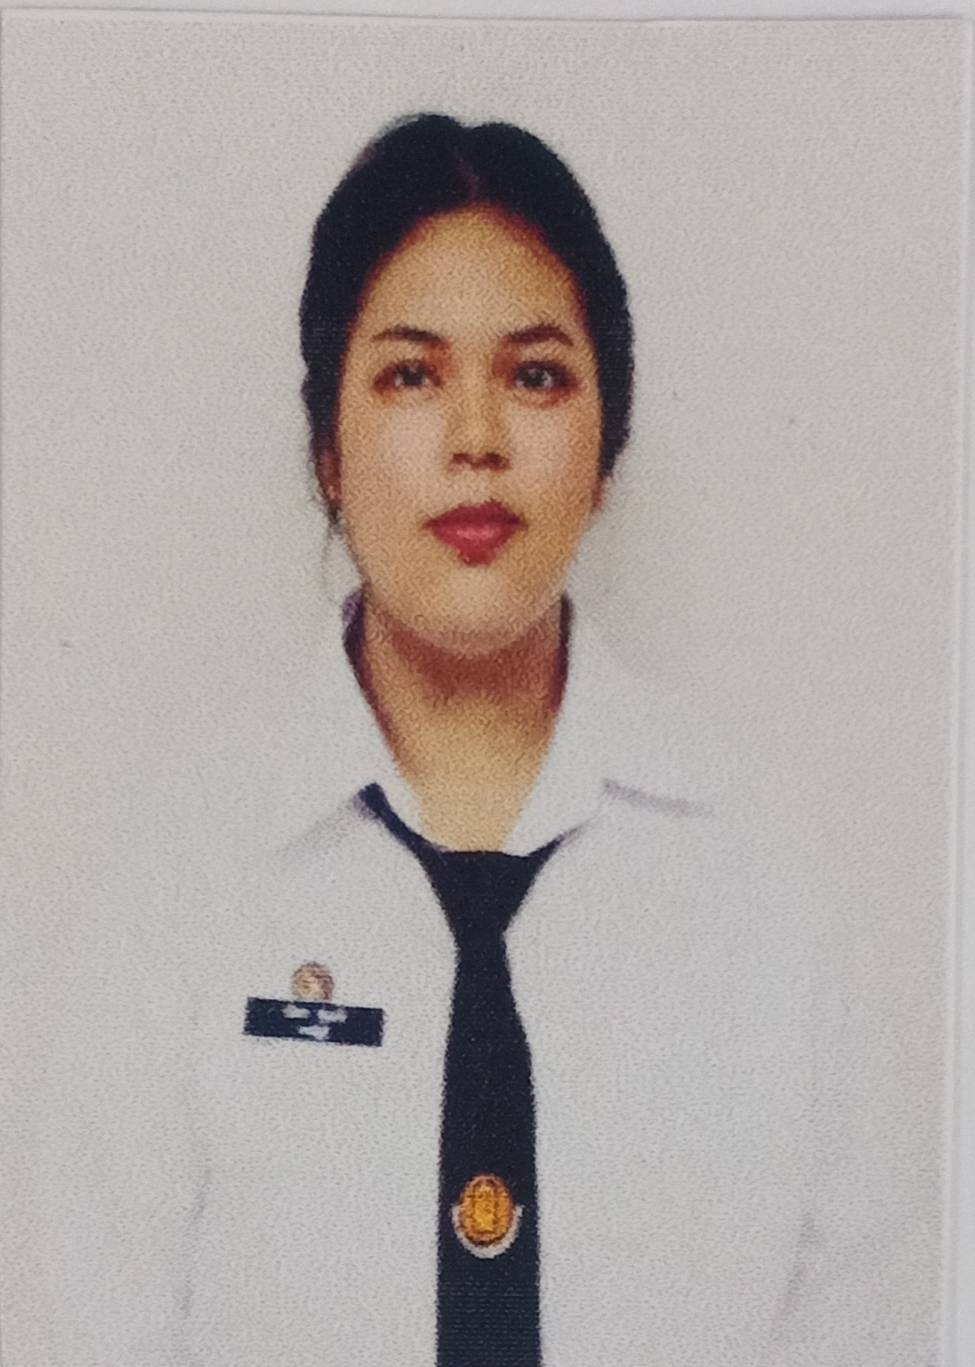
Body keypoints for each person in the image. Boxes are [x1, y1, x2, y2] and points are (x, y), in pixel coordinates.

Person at [12, 113, 906, 1367]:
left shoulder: (766, 867)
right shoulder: (188, 869)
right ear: (329, 447)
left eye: (536, 375)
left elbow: (865, 1314)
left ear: (607, 446)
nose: (476, 436)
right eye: (410, 375)